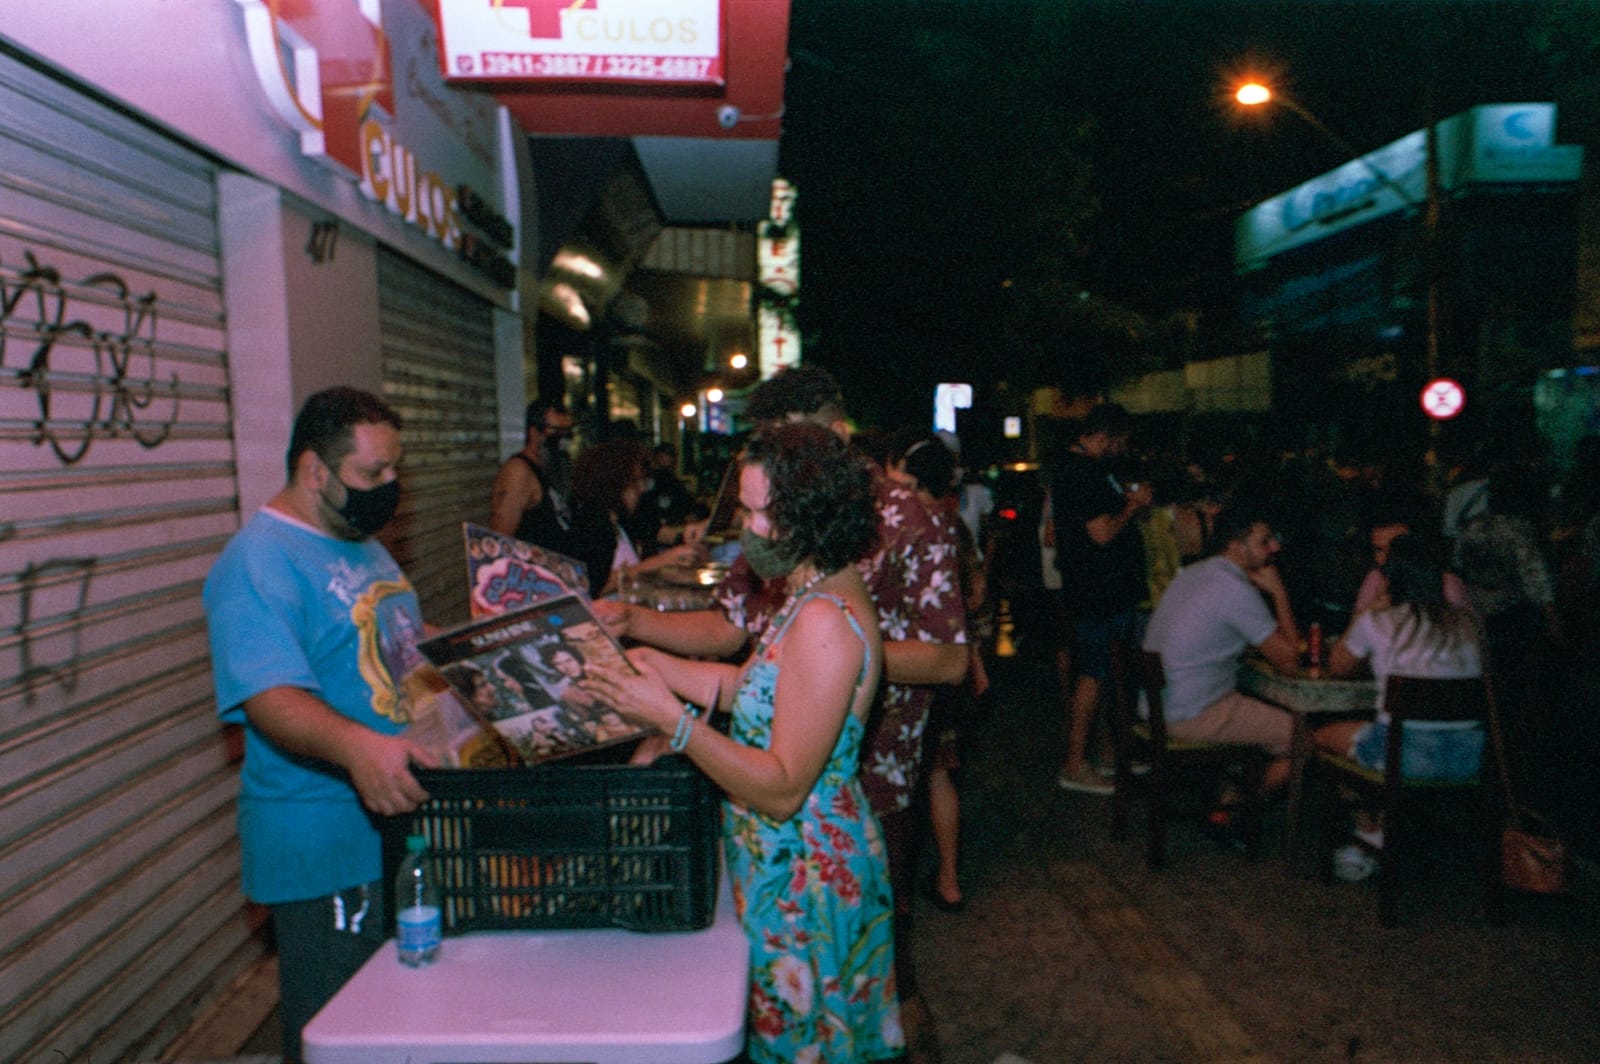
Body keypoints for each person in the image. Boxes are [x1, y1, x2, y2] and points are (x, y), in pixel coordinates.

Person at [595, 365, 965, 1063]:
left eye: (762, 512)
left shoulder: (826, 615)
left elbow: (782, 783)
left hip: (811, 875)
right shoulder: (807, 586)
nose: (747, 526)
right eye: (745, 509)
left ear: (815, 512)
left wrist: (673, 722)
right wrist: (661, 670)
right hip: (784, 864)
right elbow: (753, 685)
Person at [202, 387, 439, 1064]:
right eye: (372, 475)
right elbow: (269, 696)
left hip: (395, 826)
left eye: (397, 471)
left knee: (406, 1022)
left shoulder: (360, 543)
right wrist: (359, 747)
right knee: (343, 1036)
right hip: (326, 843)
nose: (389, 489)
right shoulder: (258, 561)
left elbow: (395, 640)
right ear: (314, 471)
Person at [1314, 532, 1485, 881]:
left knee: (1321, 738)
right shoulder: (1468, 625)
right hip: (1470, 757)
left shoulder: (1380, 621)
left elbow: (1337, 665)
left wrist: (1366, 612)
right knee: (1378, 734)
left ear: (1392, 576)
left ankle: (1368, 831)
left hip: (1404, 755)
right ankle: (1386, 832)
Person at [888, 430, 985, 913]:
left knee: (904, 786)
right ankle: (948, 878)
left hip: (915, 671)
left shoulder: (907, 528)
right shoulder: (951, 527)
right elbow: (976, 596)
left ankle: (899, 891)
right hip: (948, 669)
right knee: (939, 775)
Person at [1141, 500, 1302, 794]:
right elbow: (1290, 661)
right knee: (1300, 736)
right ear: (1236, 546)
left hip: (1157, 705)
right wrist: (1279, 593)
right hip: (1190, 712)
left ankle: (1228, 792)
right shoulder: (1234, 589)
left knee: (1252, 708)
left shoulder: (1195, 573)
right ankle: (1234, 806)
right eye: (1264, 541)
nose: (1274, 548)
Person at [1051, 403, 1152, 794]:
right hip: (1097, 591)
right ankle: (1074, 763)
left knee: (1107, 676)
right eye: (1115, 442)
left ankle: (1108, 754)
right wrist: (1133, 505)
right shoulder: (1081, 474)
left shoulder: (1089, 471)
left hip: (1107, 590)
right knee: (1093, 675)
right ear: (1100, 437)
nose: (1118, 449)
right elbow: (1101, 533)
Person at [565, 438, 704, 597]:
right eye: (635, 482)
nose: (642, 489)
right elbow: (595, 586)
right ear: (614, 483)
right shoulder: (591, 525)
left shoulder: (621, 521)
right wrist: (660, 562)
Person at [488, 398, 575, 549]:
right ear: (535, 433)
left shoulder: (555, 469)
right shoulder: (518, 472)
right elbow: (500, 537)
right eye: (557, 431)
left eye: (567, 431)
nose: (563, 440)